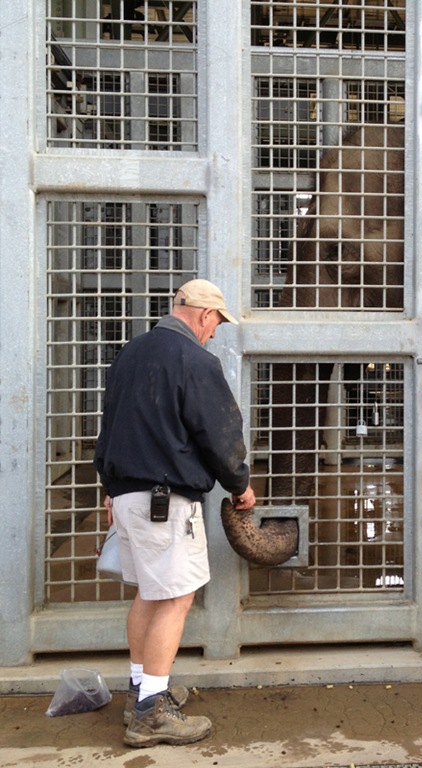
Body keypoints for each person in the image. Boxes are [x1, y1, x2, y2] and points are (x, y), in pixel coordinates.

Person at [94, 278, 256, 747]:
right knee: (175, 599)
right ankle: (151, 715)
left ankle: (142, 691)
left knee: (149, 594)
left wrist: (111, 488)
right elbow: (220, 433)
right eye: (216, 323)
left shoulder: (129, 354)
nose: (215, 333)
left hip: (126, 495)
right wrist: (240, 484)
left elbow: (109, 425)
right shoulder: (195, 360)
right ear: (204, 314)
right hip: (164, 502)